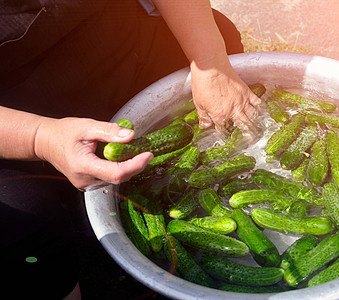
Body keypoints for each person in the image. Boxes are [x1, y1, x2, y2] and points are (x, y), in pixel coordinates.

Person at [0, 0, 261, 298]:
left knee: (218, 34)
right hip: (11, 122)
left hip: (109, 41)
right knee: (22, 229)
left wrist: (211, 65)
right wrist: (39, 137)